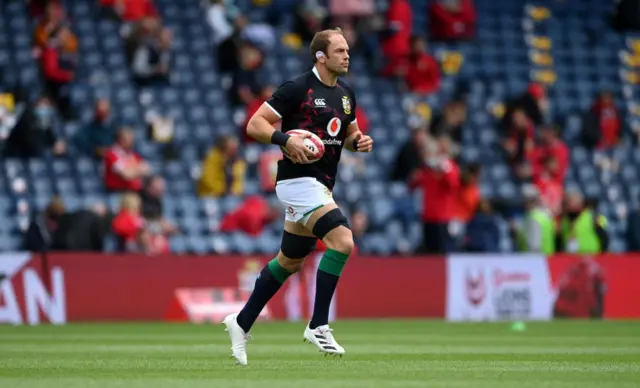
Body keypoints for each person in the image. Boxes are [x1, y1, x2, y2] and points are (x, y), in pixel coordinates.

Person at [222, 28, 374, 365]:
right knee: (343, 241)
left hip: (322, 183)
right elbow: (254, 124)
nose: (346, 55)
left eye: (347, 50)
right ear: (320, 56)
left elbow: (348, 135)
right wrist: (283, 139)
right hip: (297, 180)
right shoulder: (297, 88)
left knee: (290, 261)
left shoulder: (346, 94)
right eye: (339, 50)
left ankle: (241, 321)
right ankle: (318, 324)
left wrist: (359, 141)